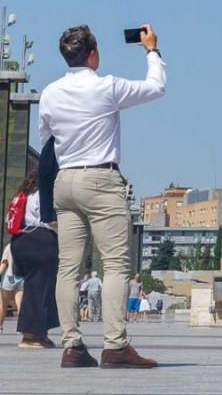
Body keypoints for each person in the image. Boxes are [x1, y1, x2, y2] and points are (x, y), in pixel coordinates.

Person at [39, 24, 164, 370]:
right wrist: (151, 50)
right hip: (100, 178)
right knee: (115, 264)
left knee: (69, 268)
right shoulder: (106, 87)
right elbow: (156, 87)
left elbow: (48, 136)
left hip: (65, 181)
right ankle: (115, 345)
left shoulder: (50, 92)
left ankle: (72, 346)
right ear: (92, 54)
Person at [8, 169, 60, 350]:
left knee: (36, 287)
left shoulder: (25, 193)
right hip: (41, 241)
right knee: (40, 289)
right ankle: (30, 335)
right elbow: (51, 221)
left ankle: (40, 333)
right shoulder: (46, 192)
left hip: (21, 240)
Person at [0, 243, 24, 334]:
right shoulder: (27, 246)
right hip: (22, 277)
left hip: (9, 278)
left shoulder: (10, 246)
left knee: (3, 304)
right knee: (20, 304)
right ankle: (21, 328)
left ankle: (0, 326)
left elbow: (4, 264)